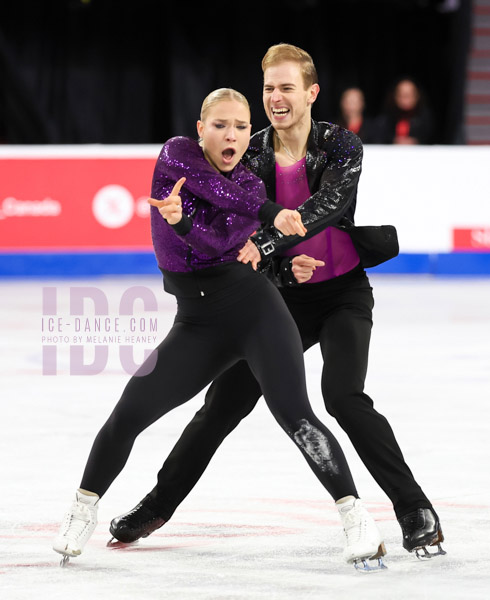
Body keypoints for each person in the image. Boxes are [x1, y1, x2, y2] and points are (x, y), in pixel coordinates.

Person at [109, 44, 445, 561]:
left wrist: (267, 244)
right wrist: (280, 265)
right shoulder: (253, 151)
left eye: (286, 87)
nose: (275, 98)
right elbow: (232, 225)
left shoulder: (341, 144)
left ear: (311, 93)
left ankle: (415, 509)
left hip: (342, 295)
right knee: (220, 408)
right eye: (268, 88)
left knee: (343, 396)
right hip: (278, 300)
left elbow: (330, 206)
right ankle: (156, 506)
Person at [52, 87, 386, 571]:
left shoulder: (251, 188)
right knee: (129, 414)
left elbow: (209, 244)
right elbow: (214, 192)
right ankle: (81, 510)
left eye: (242, 127)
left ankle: (356, 517)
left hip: (255, 311)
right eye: (221, 125)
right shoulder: (177, 155)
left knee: (296, 415)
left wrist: (187, 222)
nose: (232, 135)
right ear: (201, 129)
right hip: (197, 323)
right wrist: (269, 214)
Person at [375, 76, 435, 145]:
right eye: (402, 95)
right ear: (395, 96)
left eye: (409, 95)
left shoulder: (425, 119)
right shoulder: (385, 120)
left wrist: (416, 142)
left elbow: (432, 141)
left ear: (417, 96)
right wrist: (393, 141)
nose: (405, 99)